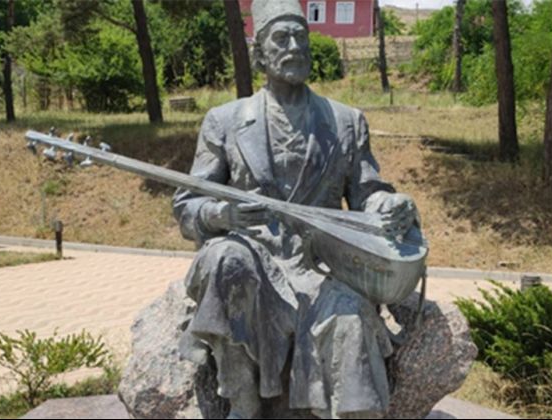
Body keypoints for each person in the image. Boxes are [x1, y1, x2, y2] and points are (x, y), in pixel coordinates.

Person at [173, 1, 419, 418]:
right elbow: (187, 205)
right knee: (225, 260)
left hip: (322, 265)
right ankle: (242, 402)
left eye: (301, 37)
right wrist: (221, 216)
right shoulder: (225, 121)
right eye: (281, 39)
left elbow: (368, 195)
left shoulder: (345, 121)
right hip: (254, 261)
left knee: (349, 317)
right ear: (260, 54)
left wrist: (392, 204)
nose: (294, 47)